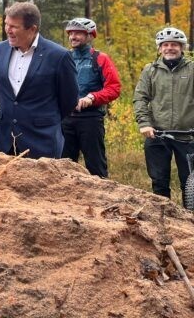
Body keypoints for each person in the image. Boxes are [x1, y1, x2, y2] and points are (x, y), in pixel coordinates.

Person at [0, 1, 79, 159]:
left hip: (42, 141)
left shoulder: (59, 56)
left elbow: (69, 100)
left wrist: (43, 119)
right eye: (6, 24)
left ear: (32, 29)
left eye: (14, 26)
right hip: (7, 142)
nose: (7, 30)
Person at [133, 27, 194, 200]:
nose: (169, 48)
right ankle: (163, 221)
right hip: (157, 135)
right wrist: (144, 123)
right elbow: (140, 98)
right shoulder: (150, 70)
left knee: (189, 184)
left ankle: (189, 222)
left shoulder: (192, 69)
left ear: (182, 47)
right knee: (159, 183)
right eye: (165, 45)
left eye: (174, 44)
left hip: (188, 136)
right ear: (159, 49)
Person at [62, 17, 121, 177]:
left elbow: (114, 88)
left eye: (78, 33)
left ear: (90, 36)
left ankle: (103, 200)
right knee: (63, 168)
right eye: (71, 33)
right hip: (65, 120)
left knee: (96, 167)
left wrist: (92, 98)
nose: (73, 37)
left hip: (91, 119)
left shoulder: (100, 58)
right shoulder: (64, 57)